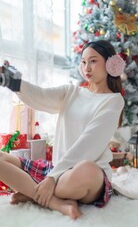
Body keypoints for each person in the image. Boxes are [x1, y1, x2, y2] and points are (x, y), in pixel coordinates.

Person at [0, 40, 125, 220]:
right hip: (58, 170)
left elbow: (88, 144)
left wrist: (52, 178)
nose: (86, 67)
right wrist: (15, 84)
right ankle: (55, 202)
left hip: (82, 175)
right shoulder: (71, 92)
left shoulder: (113, 101)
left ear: (110, 64)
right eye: (83, 62)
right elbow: (41, 96)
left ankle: (32, 191)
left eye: (93, 61)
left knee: (86, 168)